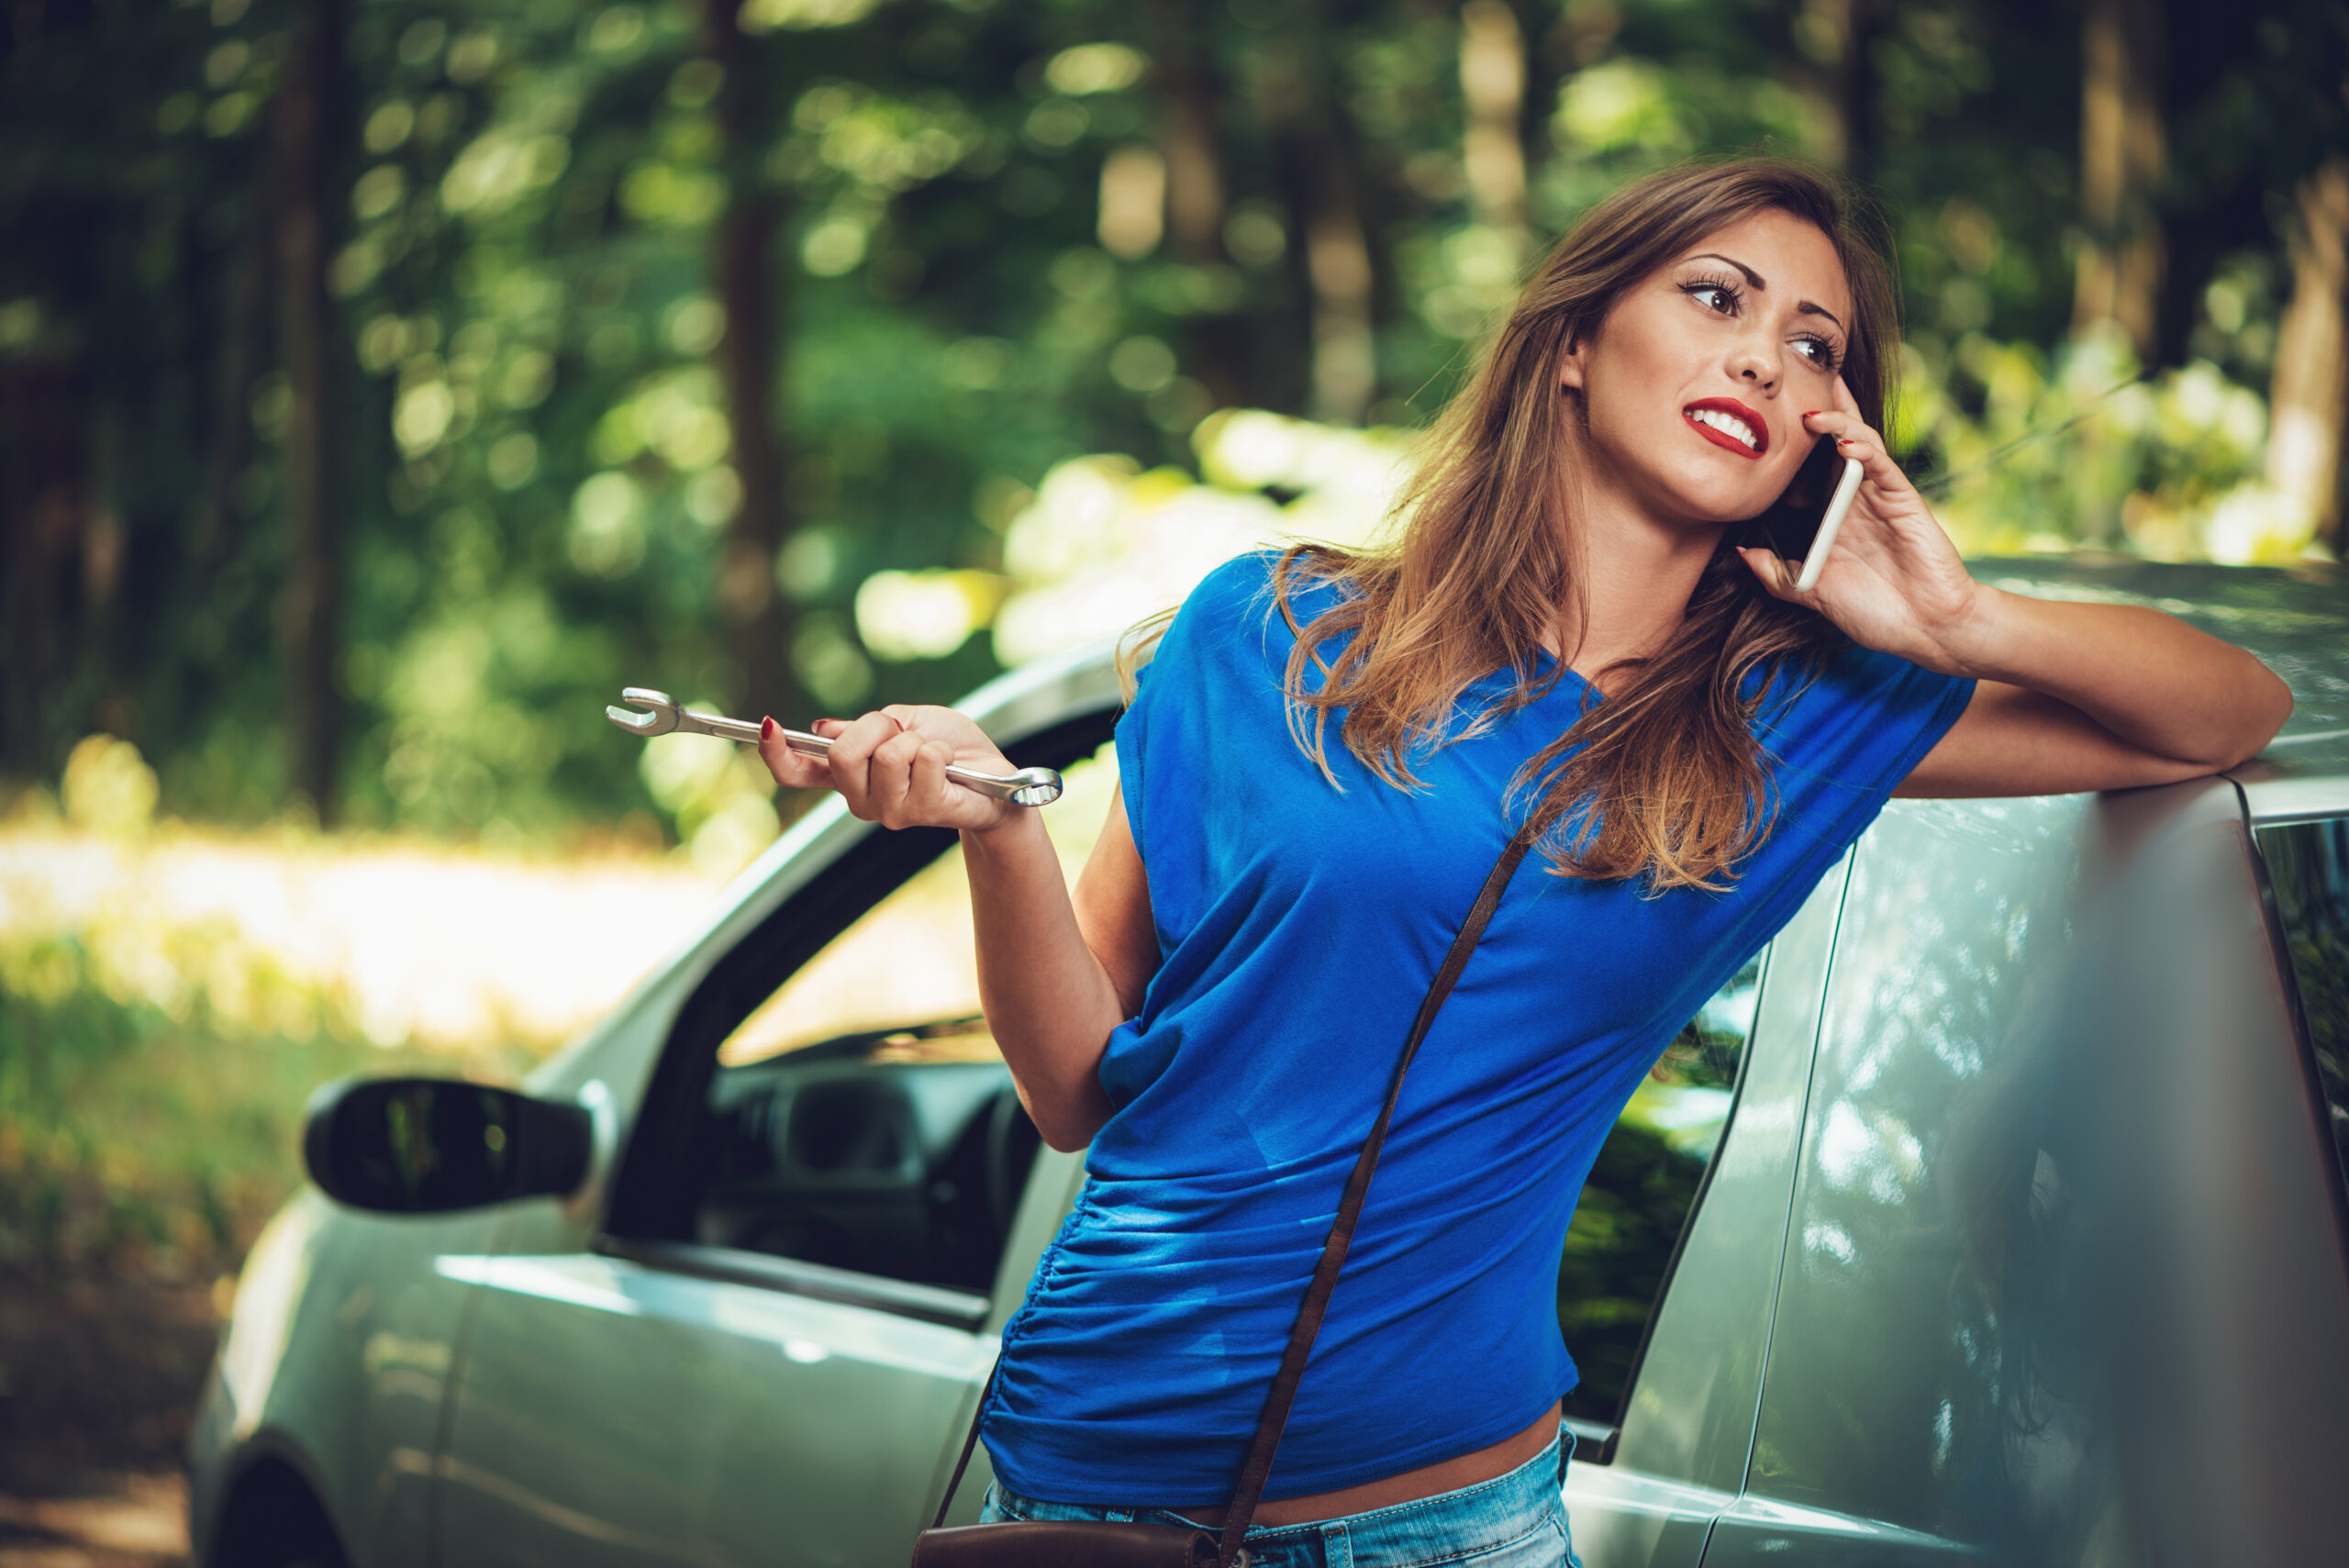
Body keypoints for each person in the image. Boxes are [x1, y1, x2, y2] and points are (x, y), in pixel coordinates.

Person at [753, 159, 2292, 1568]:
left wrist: (1964, 623)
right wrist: (998, 830)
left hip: (1449, 1522)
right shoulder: (1262, 629)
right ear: (1571, 340)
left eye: (1819, 346)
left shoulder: (1796, 721)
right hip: (1089, 1485)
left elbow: (2225, 716)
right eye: (1716, 297)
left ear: (1825, 433)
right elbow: (1080, 1085)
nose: (1767, 356)